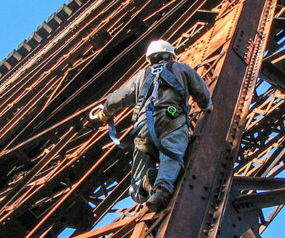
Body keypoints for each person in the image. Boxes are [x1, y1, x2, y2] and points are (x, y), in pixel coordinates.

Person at [89, 39, 211, 211]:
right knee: (172, 154)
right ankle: (162, 190)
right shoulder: (182, 68)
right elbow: (201, 92)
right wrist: (207, 106)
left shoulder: (140, 76)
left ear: (150, 59)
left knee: (138, 178)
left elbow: (117, 97)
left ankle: (146, 183)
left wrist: (105, 112)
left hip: (143, 127)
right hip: (172, 118)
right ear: (171, 57)